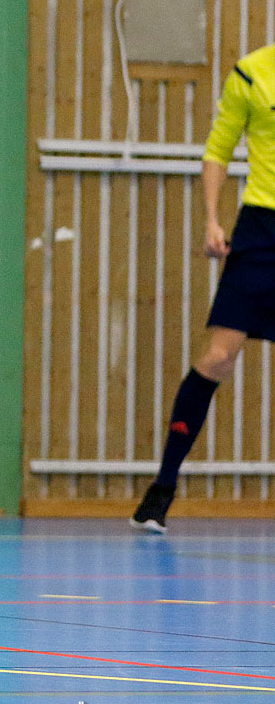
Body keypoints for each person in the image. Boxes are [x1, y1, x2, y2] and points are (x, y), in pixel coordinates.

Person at [133, 45, 275, 532]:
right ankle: (162, 489)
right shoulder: (253, 73)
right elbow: (217, 150)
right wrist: (212, 220)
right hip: (262, 228)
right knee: (216, 356)